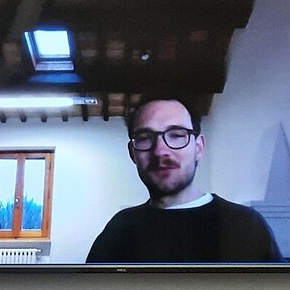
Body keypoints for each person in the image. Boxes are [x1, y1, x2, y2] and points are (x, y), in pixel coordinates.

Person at [87, 94, 282, 263]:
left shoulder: (246, 225)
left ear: (199, 148)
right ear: (132, 153)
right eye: (145, 138)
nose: (161, 151)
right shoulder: (119, 230)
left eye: (177, 135)